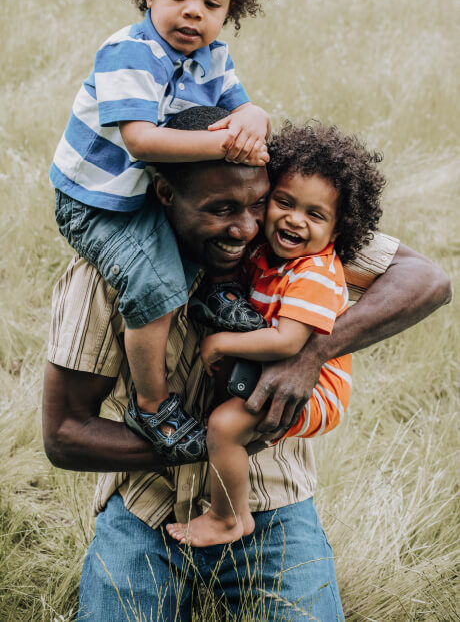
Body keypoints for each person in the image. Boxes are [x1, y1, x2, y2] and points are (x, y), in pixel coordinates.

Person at [43, 108, 451, 621]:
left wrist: (311, 352)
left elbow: (426, 280)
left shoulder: (286, 232)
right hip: (146, 505)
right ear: (165, 194)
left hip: (271, 499)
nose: (244, 227)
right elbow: (64, 433)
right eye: (220, 209)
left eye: (258, 203)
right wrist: (213, 446)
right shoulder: (111, 270)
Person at [50, 0, 273, 458]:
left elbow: (240, 109)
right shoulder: (129, 51)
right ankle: (151, 404)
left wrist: (254, 116)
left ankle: (213, 291)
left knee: (219, 223)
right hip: (98, 202)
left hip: (150, 190)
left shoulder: (213, 57)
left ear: (229, 11)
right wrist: (229, 143)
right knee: (153, 283)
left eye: (213, 3)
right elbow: (142, 140)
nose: (194, 11)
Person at [166, 120, 384, 546]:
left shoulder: (315, 272)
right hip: (280, 364)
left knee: (225, 425)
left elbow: (288, 342)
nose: (294, 219)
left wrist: (221, 341)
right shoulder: (270, 255)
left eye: (315, 214)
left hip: (318, 389)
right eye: (284, 202)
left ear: (338, 231)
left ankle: (230, 518)